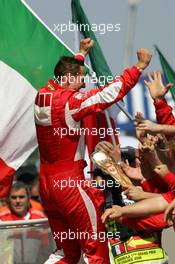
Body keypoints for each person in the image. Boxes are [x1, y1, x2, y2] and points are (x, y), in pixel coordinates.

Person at [34, 37, 152, 264]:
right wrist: (138, 68)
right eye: (81, 79)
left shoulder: (42, 94)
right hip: (70, 185)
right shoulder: (72, 103)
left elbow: (65, 76)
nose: (83, 84)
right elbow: (108, 94)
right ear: (69, 78)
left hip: (47, 185)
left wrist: (81, 54)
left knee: (64, 253)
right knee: (95, 250)